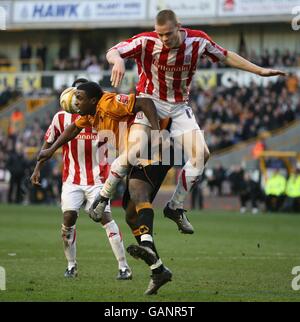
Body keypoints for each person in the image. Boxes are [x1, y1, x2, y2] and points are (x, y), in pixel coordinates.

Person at [95, 9, 285, 227]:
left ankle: (175, 206)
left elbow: (226, 55)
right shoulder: (147, 41)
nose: (163, 39)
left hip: (178, 106)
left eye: (168, 34)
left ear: (179, 26)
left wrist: (259, 71)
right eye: (160, 34)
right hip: (149, 102)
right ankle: (103, 197)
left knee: (202, 154)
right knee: (134, 151)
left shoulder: (198, 41)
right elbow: (113, 51)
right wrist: (117, 60)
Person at [31, 79, 133, 280]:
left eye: (81, 96)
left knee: (105, 218)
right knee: (68, 219)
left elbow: (112, 145)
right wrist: (37, 169)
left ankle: (124, 267)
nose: (78, 100)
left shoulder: (100, 115)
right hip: (72, 179)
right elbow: (49, 143)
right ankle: (71, 265)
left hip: (98, 178)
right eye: (76, 95)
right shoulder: (60, 118)